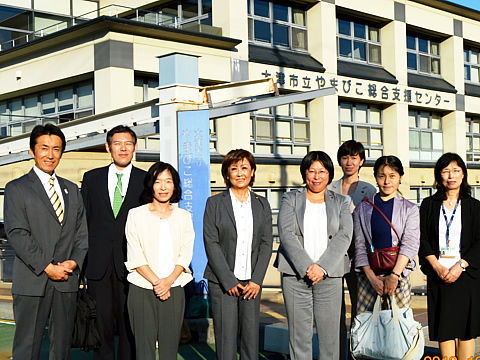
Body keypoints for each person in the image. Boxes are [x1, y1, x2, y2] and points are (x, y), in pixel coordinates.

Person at [4, 124, 88, 359]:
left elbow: (82, 234)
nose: (50, 155)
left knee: (61, 348)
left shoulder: (72, 189)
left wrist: (74, 262)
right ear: (32, 151)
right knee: (26, 348)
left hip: (66, 281)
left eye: (56, 149)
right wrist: (48, 267)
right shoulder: (16, 188)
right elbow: (17, 233)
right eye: (44, 148)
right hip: (33, 280)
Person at [275, 150, 352, 360]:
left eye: (322, 171)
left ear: (329, 174)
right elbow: (286, 234)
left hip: (330, 276)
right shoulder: (290, 198)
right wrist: (307, 267)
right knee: (299, 337)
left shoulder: (342, 201)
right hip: (295, 276)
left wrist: (322, 267)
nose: (317, 176)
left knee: (330, 339)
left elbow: (345, 235)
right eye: (312, 171)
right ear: (304, 173)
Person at [81, 125, 146, 360]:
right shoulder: (91, 178)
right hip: (98, 265)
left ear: (135, 147)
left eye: (128, 143)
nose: (123, 148)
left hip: (133, 265)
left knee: (130, 327)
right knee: (102, 327)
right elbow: (83, 221)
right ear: (108, 147)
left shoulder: (146, 180)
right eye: (117, 143)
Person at [203, 149, 273, 360]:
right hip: (223, 283)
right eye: (234, 168)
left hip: (252, 283)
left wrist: (257, 281)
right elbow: (211, 242)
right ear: (226, 174)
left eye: (244, 168)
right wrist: (228, 280)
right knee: (225, 339)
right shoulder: (214, 203)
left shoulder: (262, 203)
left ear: (252, 172)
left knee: (250, 339)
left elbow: (266, 243)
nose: (240, 173)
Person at [125, 161, 194, 360]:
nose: (163, 187)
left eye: (168, 181)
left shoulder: (184, 217)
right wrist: (158, 282)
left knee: (169, 350)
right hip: (142, 288)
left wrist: (168, 282)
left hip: (175, 288)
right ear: (150, 185)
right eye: (158, 182)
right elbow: (135, 255)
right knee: (144, 350)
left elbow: (185, 254)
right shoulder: (136, 215)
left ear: (175, 186)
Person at [419, 153, 480, 360]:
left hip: (467, 276)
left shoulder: (475, 206)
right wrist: (436, 267)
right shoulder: (429, 205)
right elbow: (423, 238)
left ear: (463, 174)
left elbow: (479, 242)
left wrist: (460, 266)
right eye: (445, 171)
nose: (450, 175)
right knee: (444, 328)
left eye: (456, 170)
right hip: (439, 274)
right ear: (439, 175)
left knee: (466, 330)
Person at [353, 155, 419, 314]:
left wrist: (394, 275)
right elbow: (359, 245)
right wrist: (371, 277)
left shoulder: (410, 209)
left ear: (400, 178)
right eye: (382, 176)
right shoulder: (363, 208)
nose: (387, 181)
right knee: (366, 329)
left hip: (398, 275)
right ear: (376, 177)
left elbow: (410, 244)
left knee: (398, 329)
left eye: (392, 176)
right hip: (368, 277)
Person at [328, 140, 376, 358]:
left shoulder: (369, 190)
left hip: (359, 255)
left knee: (360, 308)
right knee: (334, 308)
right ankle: (337, 352)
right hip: (334, 255)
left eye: (354, 158)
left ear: (361, 161)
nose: (349, 162)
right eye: (345, 157)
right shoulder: (329, 187)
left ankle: (357, 353)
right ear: (340, 160)